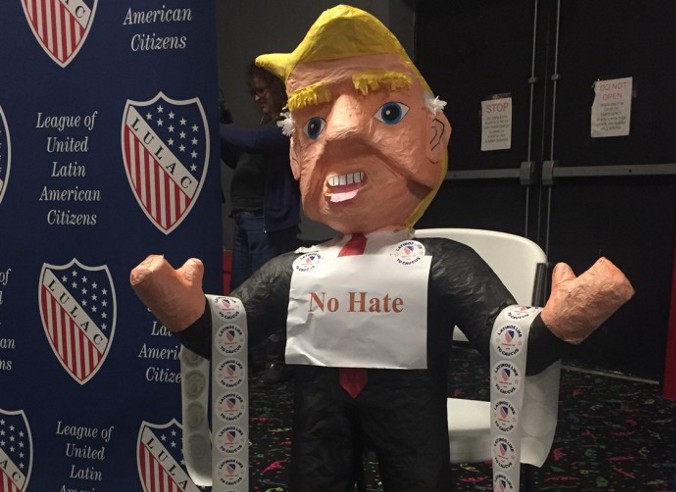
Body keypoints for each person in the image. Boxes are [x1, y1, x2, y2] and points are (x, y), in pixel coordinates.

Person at [130, 5, 634, 491]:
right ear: (296, 153)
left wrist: (562, 321)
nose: (343, 135)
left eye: (388, 113)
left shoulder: (442, 264)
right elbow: (227, 333)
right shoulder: (299, 268)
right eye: (313, 126)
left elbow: (506, 339)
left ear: (433, 137)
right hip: (318, 424)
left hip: (411, 420)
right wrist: (183, 308)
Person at [220, 63, 300, 383]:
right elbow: (239, 157)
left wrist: (208, 125)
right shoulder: (268, 121)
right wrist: (224, 124)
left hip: (268, 222)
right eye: (252, 92)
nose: (256, 98)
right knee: (240, 296)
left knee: (269, 295)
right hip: (246, 220)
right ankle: (249, 358)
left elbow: (253, 142)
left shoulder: (290, 123)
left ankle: (274, 362)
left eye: (261, 90)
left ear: (279, 90)